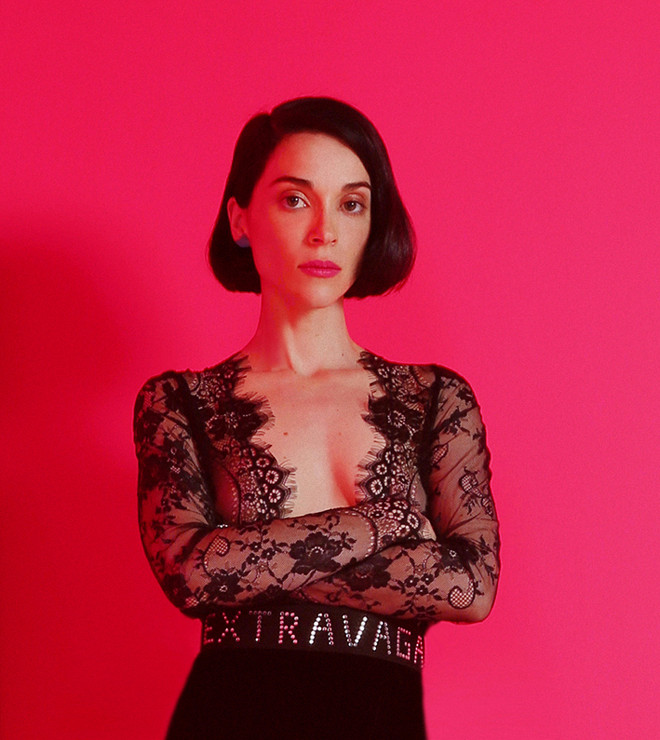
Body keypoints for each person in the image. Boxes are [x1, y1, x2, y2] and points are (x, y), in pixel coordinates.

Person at [133, 96, 500, 740]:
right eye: (296, 199)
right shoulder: (181, 402)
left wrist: (251, 562)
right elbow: (192, 576)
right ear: (240, 219)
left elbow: (469, 588)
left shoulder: (435, 399)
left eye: (351, 204)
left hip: (382, 720)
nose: (325, 230)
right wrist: (386, 522)